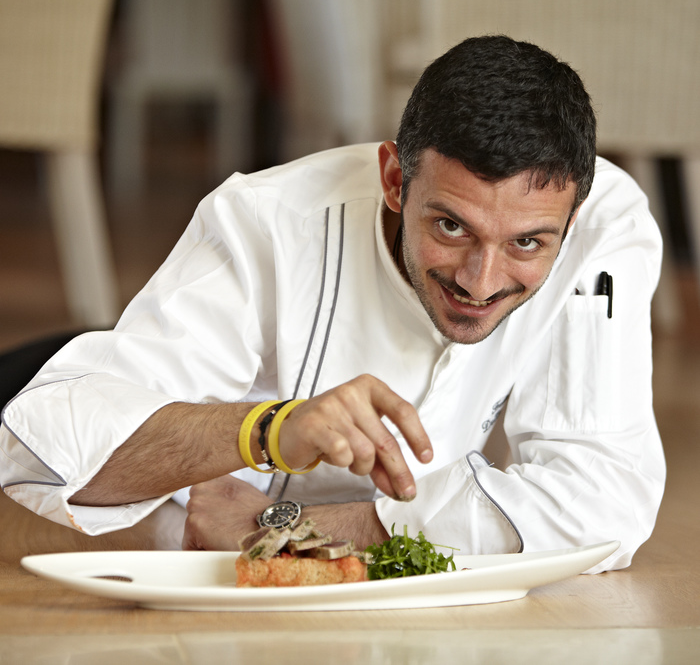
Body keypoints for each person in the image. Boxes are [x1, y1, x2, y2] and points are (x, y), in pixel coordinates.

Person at [0, 36, 664, 571]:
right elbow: (36, 448)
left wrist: (297, 528)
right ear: (395, 180)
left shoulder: (602, 223)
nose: (481, 281)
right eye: (450, 226)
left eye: (526, 242)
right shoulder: (263, 222)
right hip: (91, 376)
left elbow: (606, 502)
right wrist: (269, 429)